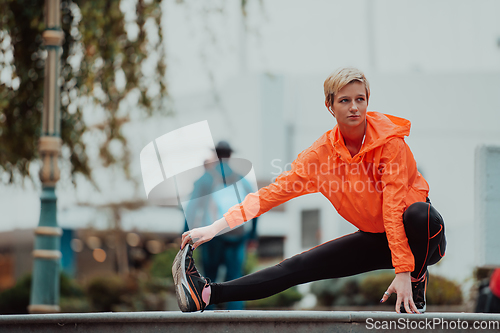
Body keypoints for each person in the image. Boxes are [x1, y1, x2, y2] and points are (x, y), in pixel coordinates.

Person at [172, 67, 446, 314]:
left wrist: (404, 270)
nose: (354, 108)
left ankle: (417, 281)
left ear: (367, 100)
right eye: (345, 100)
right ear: (330, 105)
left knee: (418, 213)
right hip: (376, 238)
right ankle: (208, 294)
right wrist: (214, 228)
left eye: (360, 99)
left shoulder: (390, 144)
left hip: (422, 239)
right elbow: (269, 195)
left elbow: (393, 206)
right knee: (296, 267)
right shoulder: (320, 157)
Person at [183, 141, 258, 310]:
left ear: (215, 154)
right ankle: (237, 320)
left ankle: (208, 319)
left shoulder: (206, 178)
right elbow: (256, 205)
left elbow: (192, 209)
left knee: (209, 278)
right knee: (236, 278)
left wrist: (185, 234)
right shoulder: (241, 179)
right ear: (230, 155)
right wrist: (253, 234)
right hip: (238, 234)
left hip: (212, 236)